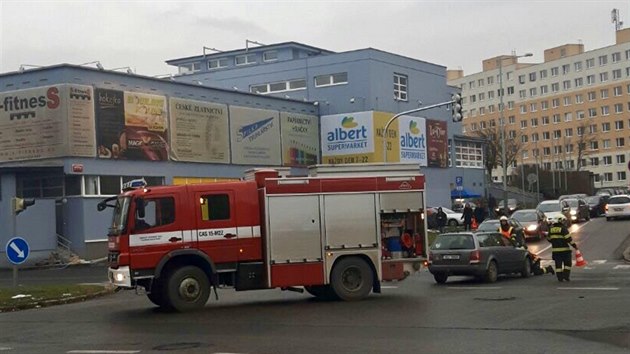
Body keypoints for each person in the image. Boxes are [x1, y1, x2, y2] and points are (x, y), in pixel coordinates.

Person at [546, 215, 578, 282]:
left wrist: (555, 241)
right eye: (562, 220)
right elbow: (569, 239)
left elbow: (548, 239)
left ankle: (560, 278)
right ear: (559, 220)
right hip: (565, 251)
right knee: (568, 264)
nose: (563, 222)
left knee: (558, 265)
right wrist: (574, 246)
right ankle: (566, 276)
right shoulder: (563, 228)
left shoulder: (551, 229)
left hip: (555, 251)